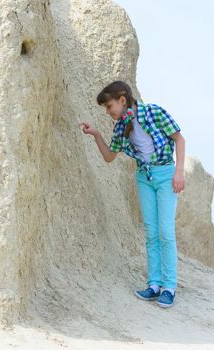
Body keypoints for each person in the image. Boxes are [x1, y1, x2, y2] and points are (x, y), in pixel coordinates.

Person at [79, 81, 185, 308]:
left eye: (109, 107)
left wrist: (179, 172)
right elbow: (109, 156)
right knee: (151, 232)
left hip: (166, 174)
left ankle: (169, 287)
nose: (108, 112)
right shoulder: (120, 128)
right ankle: (154, 285)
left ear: (122, 100)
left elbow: (179, 139)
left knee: (166, 232)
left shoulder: (153, 112)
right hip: (144, 177)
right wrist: (96, 134)